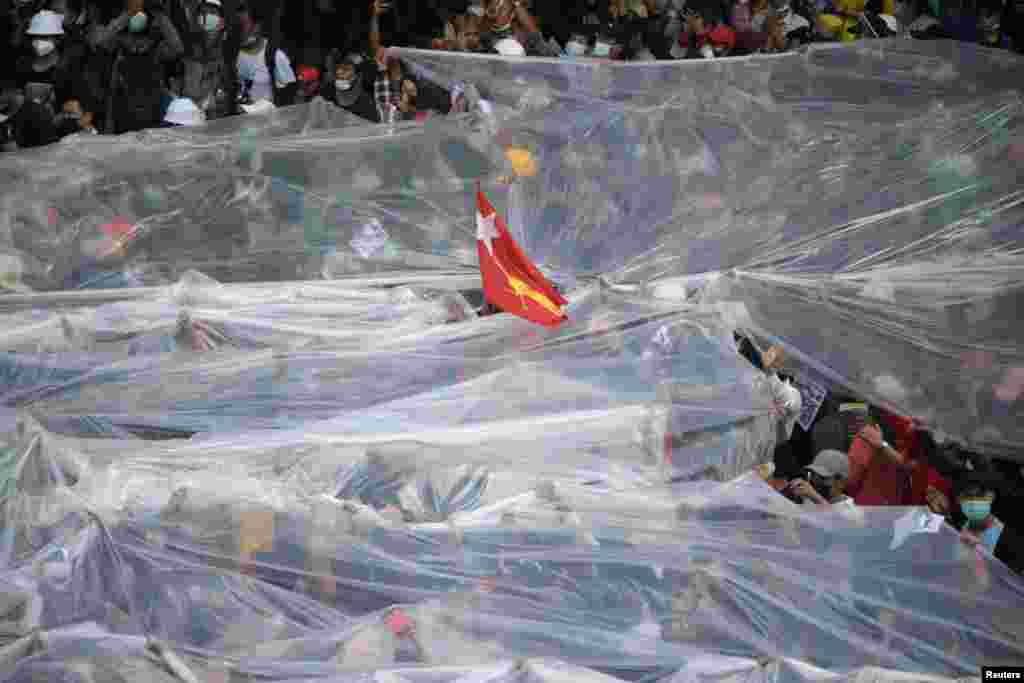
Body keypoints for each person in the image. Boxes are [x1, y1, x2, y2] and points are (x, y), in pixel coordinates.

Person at [91, 0, 184, 134]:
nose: (137, 45)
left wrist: (159, 15)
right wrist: (128, 13)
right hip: (124, 108)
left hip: (152, 107)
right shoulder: (120, 43)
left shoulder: (157, 47)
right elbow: (102, 41)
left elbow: (177, 47)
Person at [180, 0, 235, 121]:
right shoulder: (190, 48)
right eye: (203, 12)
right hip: (192, 116)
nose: (206, 16)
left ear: (222, 21)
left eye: (212, 12)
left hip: (219, 120)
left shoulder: (229, 50)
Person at [236, 7, 296, 108]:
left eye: (245, 24)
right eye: (238, 25)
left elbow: (289, 97)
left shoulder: (275, 55)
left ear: (257, 26)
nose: (242, 30)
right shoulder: (233, 55)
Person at [783, 449, 856, 510]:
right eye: (813, 474)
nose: (816, 480)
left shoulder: (852, 509)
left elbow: (835, 520)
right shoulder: (808, 501)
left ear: (840, 482)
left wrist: (817, 499)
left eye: (822, 477)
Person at [0, 82, 59, 150]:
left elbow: (13, 144)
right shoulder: (34, 107)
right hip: (43, 147)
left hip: (37, 149)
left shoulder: (32, 110)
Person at [322, 51, 379, 122]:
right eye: (338, 68)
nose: (339, 72)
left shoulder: (366, 103)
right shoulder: (328, 96)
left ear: (357, 76)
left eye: (346, 69)